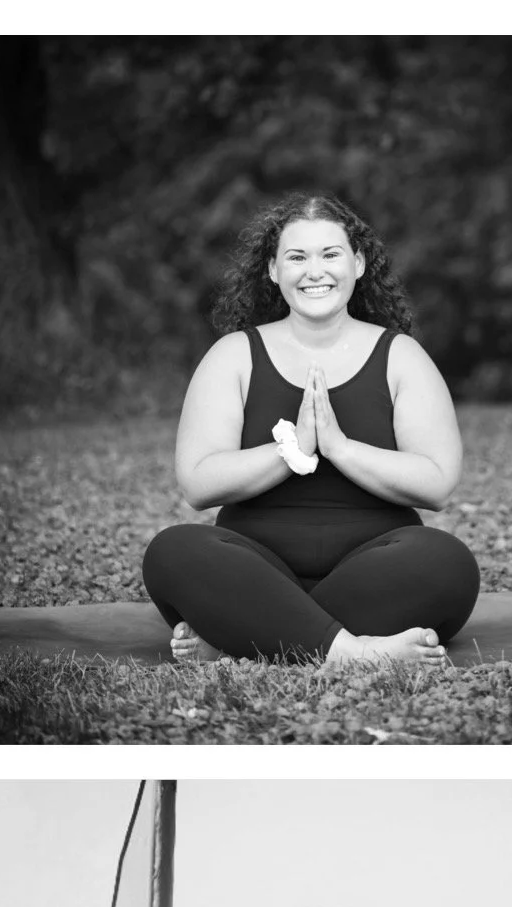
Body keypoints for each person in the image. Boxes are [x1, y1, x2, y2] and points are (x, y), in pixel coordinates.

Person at [141, 193, 479, 667]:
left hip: (376, 566)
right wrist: (293, 451)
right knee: (172, 551)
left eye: (330, 254)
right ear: (274, 271)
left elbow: (437, 483)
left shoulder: (400, 356)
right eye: (297, 257)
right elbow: (199, 483)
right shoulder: (234, 355)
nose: (314, 271)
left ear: (358, 264)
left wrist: (338, 447)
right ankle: (352, 652)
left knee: (447, 562)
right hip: (253, 568)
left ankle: (247, 635)